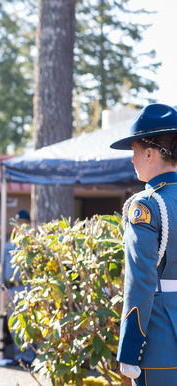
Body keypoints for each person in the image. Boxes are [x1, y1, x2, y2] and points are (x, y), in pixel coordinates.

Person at [110, 103, 177, 385]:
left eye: (135, 151)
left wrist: (129, 350)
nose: (132, 159)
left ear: (150, 153)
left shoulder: (147, 205)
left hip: (159, 342)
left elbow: (140, 284)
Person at [1, 209, 36, 367]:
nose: (19, 226)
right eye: (17, 223)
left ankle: (29, 357)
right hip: (11, 288)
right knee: (13, 323)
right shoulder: (10, 241)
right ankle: (18, 356)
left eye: (22, 223)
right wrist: (3, 287)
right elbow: (4, 265)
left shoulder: (31, 240)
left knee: (27, 323)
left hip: (26, 286)